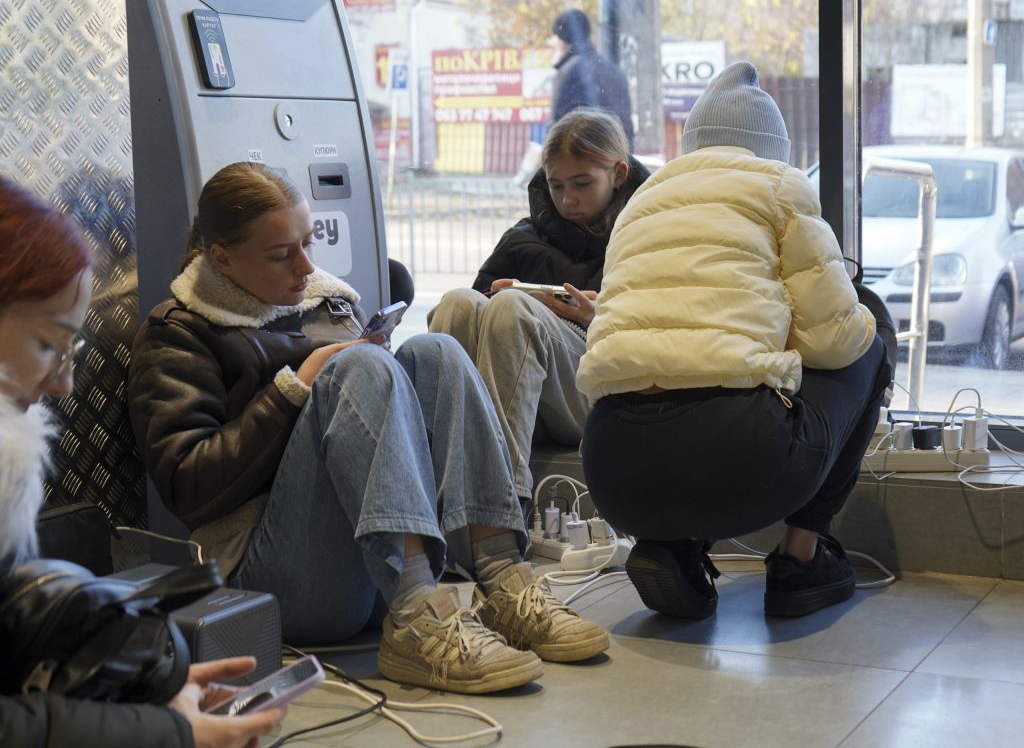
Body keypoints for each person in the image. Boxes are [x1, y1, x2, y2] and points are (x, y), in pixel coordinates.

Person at [126, 162, 609, 695]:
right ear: (221, 259)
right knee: (359, 366)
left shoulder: (326, 303)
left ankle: (502, 578)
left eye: (308, 243)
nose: (305, 266)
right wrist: (296, 388)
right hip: (270, 577)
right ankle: (414, 622)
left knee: (436, 351)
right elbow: (189, 489)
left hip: (375, 561)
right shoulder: (178, 331)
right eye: (280, 254)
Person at [577, 62, 895, 620]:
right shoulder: (777, 184)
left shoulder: (641, 202)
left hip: (611, 469)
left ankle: (673, 544)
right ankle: (802, 558)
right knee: (868, 334)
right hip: (739, 460)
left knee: (682, 368)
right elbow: (836, 340)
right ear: (772, 147)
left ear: (694, 142)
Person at [0, 175, 282, 747]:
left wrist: (131, 686)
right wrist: (164, 732)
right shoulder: (178, 337)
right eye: (49, 345)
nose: (63, 384)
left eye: (72, 350)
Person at [428, 108, 650, 508]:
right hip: (514, 391)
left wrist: (598, 318)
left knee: (514, 308)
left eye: (582, 184)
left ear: (618, 175)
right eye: (556, 185)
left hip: (597, 393)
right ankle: (436, 485)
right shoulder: (522, 237)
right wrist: (490, 298)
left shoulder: (645, 234)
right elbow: (469, 312)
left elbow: (665, 335)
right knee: (458, 302)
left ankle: (501, 504)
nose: (568, 200)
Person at [549, 9, 634, 151]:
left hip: (581, 164)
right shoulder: (614, 71)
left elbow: (556, 133)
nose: (553, 42)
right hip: (616, 162)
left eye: (555, 37)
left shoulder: (569, 72)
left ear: (563, 38)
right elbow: (627, 127)